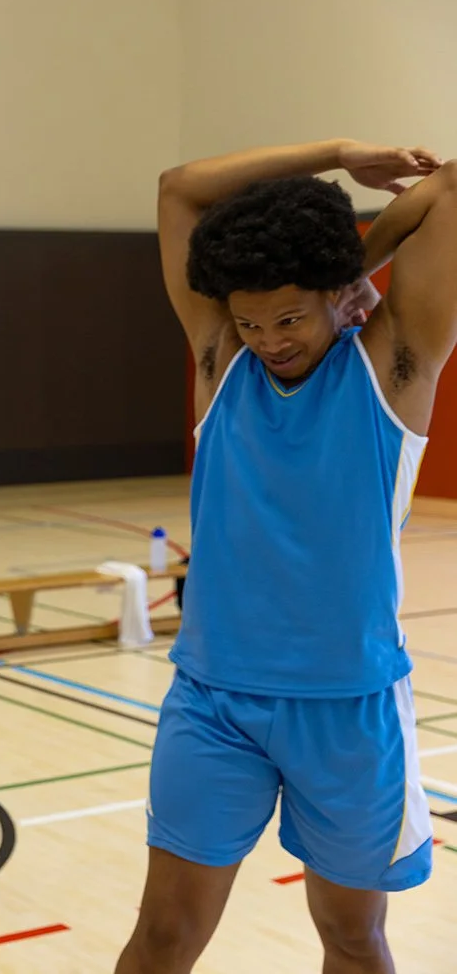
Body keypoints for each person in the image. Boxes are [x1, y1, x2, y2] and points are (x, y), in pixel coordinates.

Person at [116, 139, 457, 974]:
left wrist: (351, 258)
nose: (268, 339)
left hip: (347, 710)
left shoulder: (393, 367)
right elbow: (176, 187)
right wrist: (338, 152)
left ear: (340, 299)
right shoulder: (219, 361)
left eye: (289, 317)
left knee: (350, 936)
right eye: (250, 320)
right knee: (164, 937)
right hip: (213, 701)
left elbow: (451, 190)